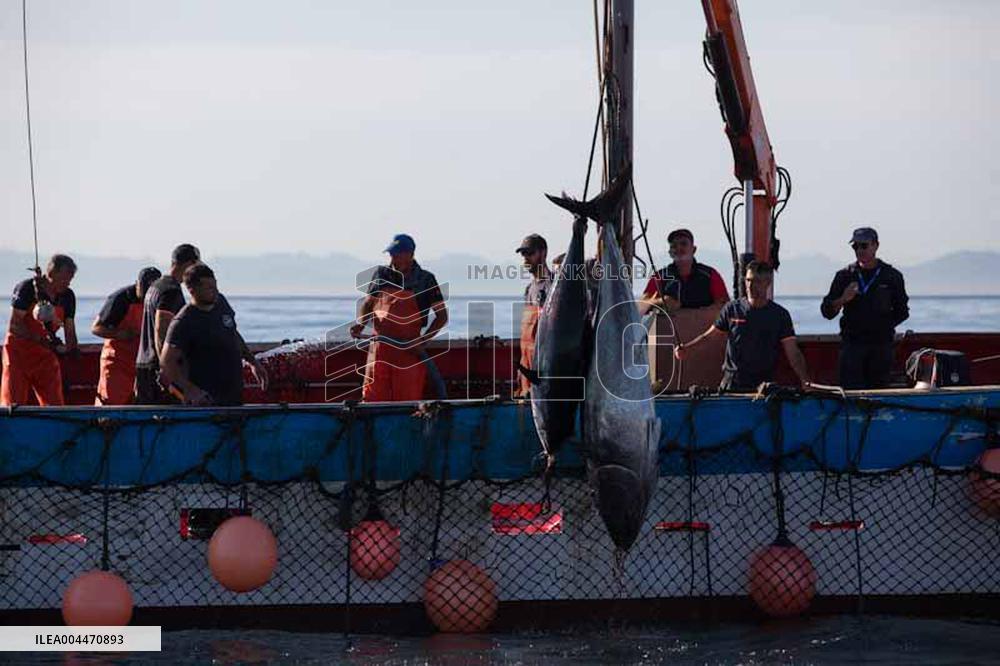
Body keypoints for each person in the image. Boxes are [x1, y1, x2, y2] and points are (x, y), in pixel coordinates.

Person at [675, 261, 810, 392]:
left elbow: (793, 352)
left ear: (768, 283)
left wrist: (805, 380)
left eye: (757, 281)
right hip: (732, 384)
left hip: (763, 387)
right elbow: (709, 337)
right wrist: (687, 348)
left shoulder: (780, 315)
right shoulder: (732, 309)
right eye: (748, 280)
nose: (750, 286)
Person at [350, 234, 448, 402]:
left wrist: (422, 342)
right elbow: (368, 304)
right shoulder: (381, 274)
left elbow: (441, 316)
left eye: (398, 255)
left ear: (410, 255)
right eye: (391, 255)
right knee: (373, 398)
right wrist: (360, 324)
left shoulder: (426, 280)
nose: (393, 259)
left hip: (409, 349)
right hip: (380, 349)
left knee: (407, 400)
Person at [159, 264, 267, 406]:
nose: (215, 291)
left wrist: (253, 362)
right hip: (207, 401)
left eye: (215, 285)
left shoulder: (221, 303)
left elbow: (232, 332)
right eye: (209, 288)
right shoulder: (184, 321)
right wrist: (191, 390)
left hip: (233, 395)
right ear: (192, 290)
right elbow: (166, 363)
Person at [821, 227, 909, 389]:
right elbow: (826, 311)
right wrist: (843, 299)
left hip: (881, 347)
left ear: (875, 246)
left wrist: (882, 326)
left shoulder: (891, 276)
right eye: (855, 247)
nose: (859, 250)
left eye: (864, 246)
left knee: (879, 395)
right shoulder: (845, 275)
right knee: (851, 394)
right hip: (852, 346)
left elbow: (903, 312)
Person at [1, 254, 78, 406]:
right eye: (64, 279)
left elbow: (69, 330)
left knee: (55, 405)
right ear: (50, 274)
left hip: (44, 356)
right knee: (12, 403)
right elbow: (14, 325)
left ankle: (55, 426)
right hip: (18, 354)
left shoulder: (68, 296)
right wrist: (39, 339)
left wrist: (70, 348)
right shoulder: (27, 288)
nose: (67, 283)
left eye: (70, 280)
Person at [134, 244, 201, 404]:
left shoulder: (155, 287)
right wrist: (166, 369)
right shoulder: (171, 290)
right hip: (158, 368)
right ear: (188, 264)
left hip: (144, 363)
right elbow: (161, 328)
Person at [92, 267, 162, 405]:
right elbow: (96, 328)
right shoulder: (120, 299)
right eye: (144, 288)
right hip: (116, 362)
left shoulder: (160, 298)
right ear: (137, 284)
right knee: (111, 403)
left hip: (143, 363)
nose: (146, 293)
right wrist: (121, 334)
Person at [639, 228, 729, 316]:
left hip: (704, 328)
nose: (679, 248)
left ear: (694, 250)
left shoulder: (710, 275)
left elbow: (725, 306)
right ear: (670, 252)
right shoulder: (660, 276)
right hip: (668, 329)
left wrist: (706, 311)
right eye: (674, 246)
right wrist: (660, 302)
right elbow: (641, 307)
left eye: (683, 244)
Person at [514, 233, 552, 397]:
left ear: (543, 253)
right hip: (528, 370)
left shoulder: (554, 286)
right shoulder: (529, 290)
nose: (525, 259)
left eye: (530, 253)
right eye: (523, 254)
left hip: (544, 370)